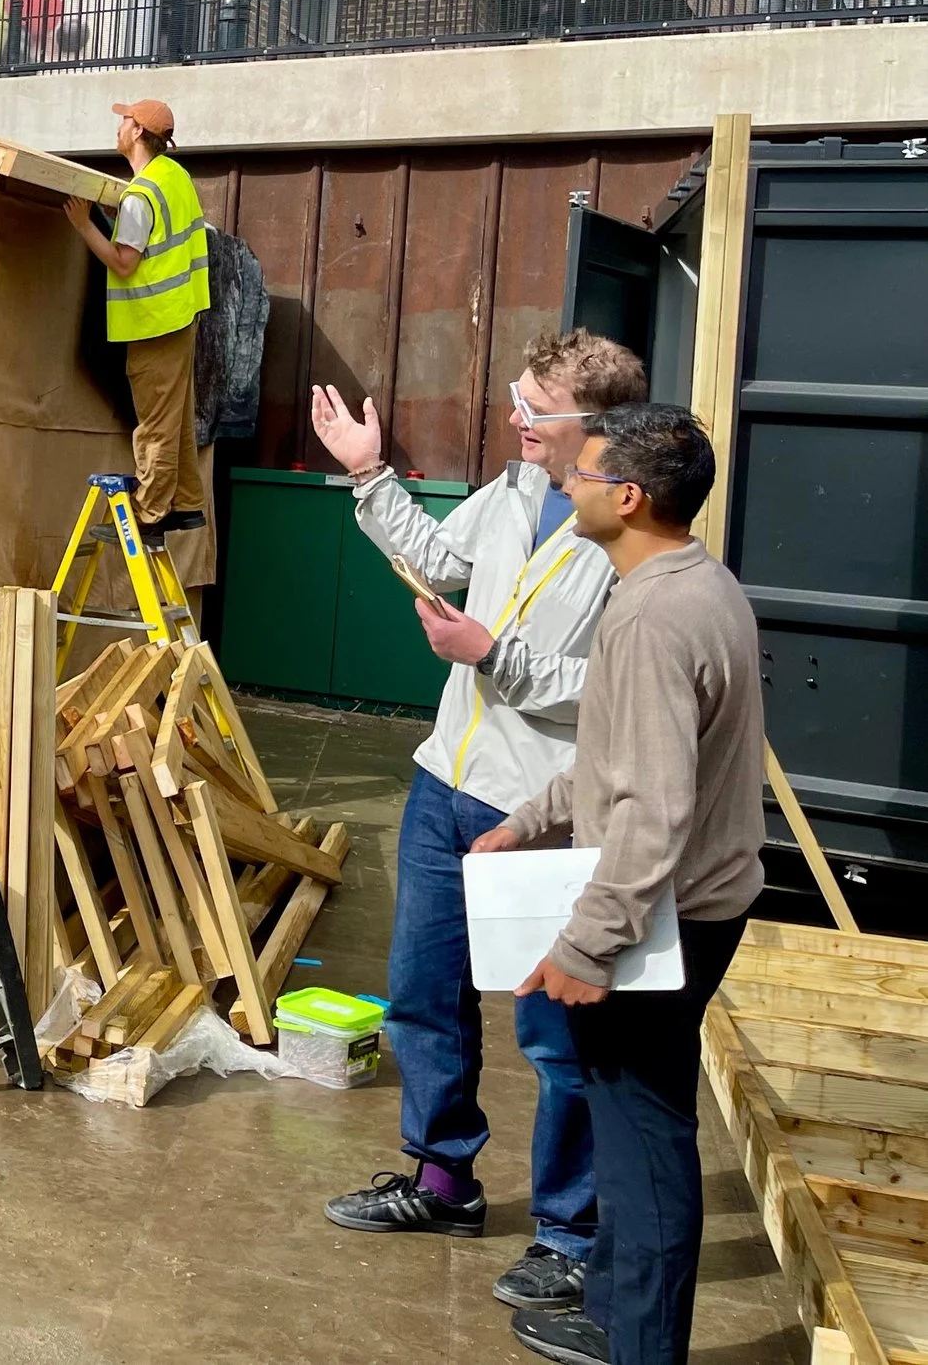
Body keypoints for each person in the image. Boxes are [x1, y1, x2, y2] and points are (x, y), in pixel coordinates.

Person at [314, 330, 648, 1313]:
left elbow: (621, 688)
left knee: (554, 1037)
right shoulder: (507, 493)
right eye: (516, 399)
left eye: (532, 410)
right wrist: (368, 474)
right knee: (420, 997)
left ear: (592, 429)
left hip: (542, 812)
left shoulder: (631, 533)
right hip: (441, 785)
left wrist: (493, 653)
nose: (514, 420)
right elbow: (435, 558)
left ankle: (569, 1233)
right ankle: (442, 1182)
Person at [473, 404, 763, 1365]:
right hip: (694, 901)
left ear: (628, 497)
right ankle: (611, 1310)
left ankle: (640, 1344)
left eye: (583, 473)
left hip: (664, 916)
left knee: (642, 1143)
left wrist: (589, 943)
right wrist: (533, 816)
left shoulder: (649, 613)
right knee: (642, 1117)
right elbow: (617, 752)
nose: (566, 482)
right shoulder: (699, 583)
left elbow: (650, 806)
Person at [63, 99, 211, 537]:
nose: (119, 126)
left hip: (154, 323)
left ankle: (149, 514)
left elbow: (124, 262)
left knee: (155, 425)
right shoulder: (174, 177)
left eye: (125, 120)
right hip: (180, 315)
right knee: (175, 417)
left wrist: (84, 224)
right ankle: (185, 502)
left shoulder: (140, 195)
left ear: (139, 133)